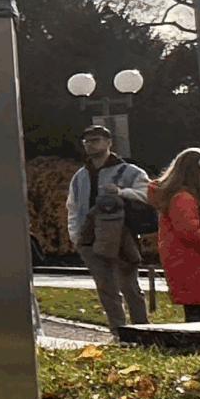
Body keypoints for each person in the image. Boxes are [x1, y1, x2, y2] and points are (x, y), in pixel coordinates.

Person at [67, 125, 150, 331]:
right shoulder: (79, 177)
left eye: (95, 140)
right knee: (106, 289)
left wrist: (122, 192)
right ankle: (119, 333)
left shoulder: (130, 172)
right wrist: (75, 236)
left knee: (130, 287)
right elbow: (72, 207)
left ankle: (143, 331)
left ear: (109, 142)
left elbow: (149, 196)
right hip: (89, 240)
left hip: (123, 237)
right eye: (86, 141)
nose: (90, 145)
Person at [149, 147, 200, 322]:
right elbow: (190, 233)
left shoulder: (183, 196)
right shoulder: (184, 198)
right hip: (197, 267)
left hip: (193, 266)